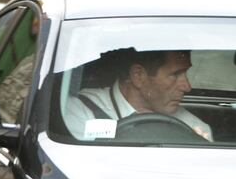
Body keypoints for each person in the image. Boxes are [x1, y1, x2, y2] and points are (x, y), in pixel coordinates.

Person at [64, 48, 212, 141]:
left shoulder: (194, 129)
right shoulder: (80, 111)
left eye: (185, 74)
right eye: (175, 75)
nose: (187, 87)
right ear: (138, 75)